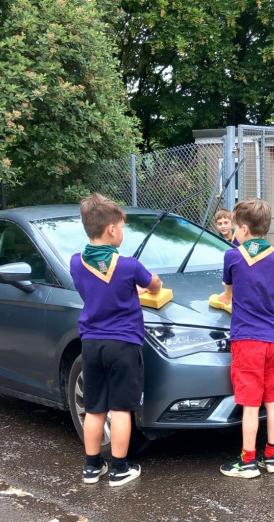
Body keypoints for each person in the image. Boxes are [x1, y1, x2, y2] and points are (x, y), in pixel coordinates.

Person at [69, 193, 162, 487]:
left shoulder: (75, 262)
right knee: (121, 408)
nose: (122, 232)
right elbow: (154, 285)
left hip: (91, 343)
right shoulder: (129, 266)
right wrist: (152, 282)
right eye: (121, 227)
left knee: (95, 408)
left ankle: (92, 467)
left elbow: (95, 292)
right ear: (111, 229)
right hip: (123, 344)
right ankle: (120, 468)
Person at [217, 198, 274, 478]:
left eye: (234, 227)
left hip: (247, 338)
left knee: (249, 403)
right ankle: (272, 457)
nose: (232, 231)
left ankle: (247, 461)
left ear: (243, 229)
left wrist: (224, 298)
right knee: (273, 400)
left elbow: (228, 292)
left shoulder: (232, 256)